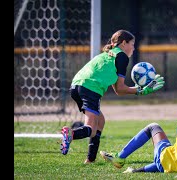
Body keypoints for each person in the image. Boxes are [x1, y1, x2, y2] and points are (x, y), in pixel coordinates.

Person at [59, 29, 165, 164]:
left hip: (76, 86)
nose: (133, 48)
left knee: (100, 121)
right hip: (90, 88)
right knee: (91, 129)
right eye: (132, 44)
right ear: (123, 43)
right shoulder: (122, 57)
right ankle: (70, 134)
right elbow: (121, 88)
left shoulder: (109, 54)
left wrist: (140, 89)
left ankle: (90, 159)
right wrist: (141, 91)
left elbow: (118, 90)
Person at [99, 97, 177, 173]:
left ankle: (120, 157)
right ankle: (136, 171)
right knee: (170, 156)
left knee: (153, 127)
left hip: (168, 162)